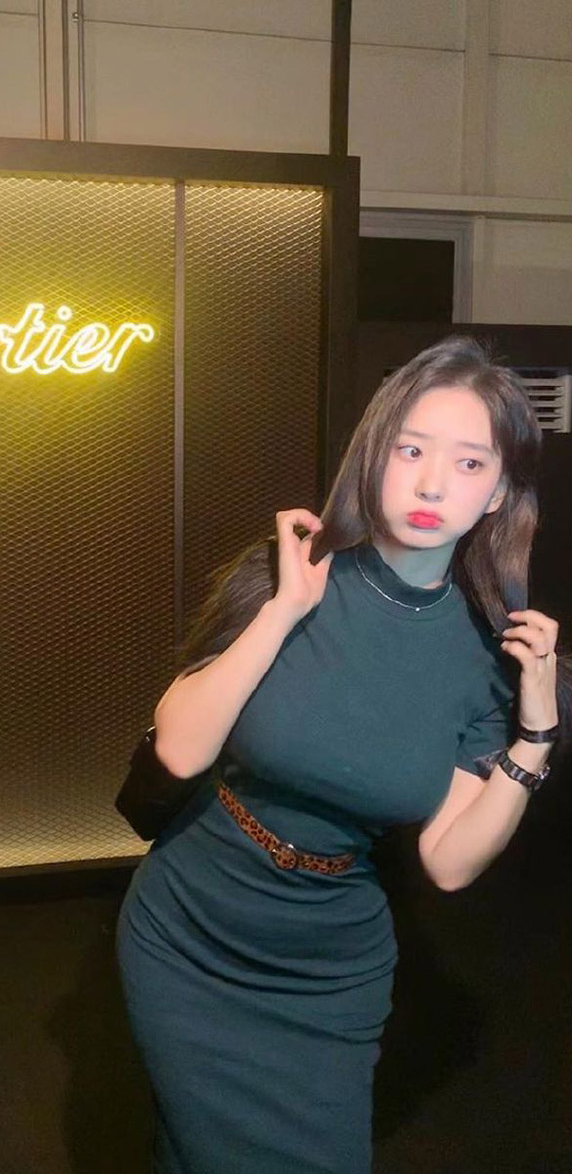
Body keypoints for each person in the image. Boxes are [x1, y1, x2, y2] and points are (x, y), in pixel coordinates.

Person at [115, 337, 570, 1174]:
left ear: (500, 492)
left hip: (330, 969)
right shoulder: (291, 571)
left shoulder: (488, 655)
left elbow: (449, 863)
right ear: (375, 454)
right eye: (412, 450)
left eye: (470, 462)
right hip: (194, 933)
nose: (433, 484)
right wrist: (284, 611)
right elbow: (177, 747)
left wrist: (535, 735)